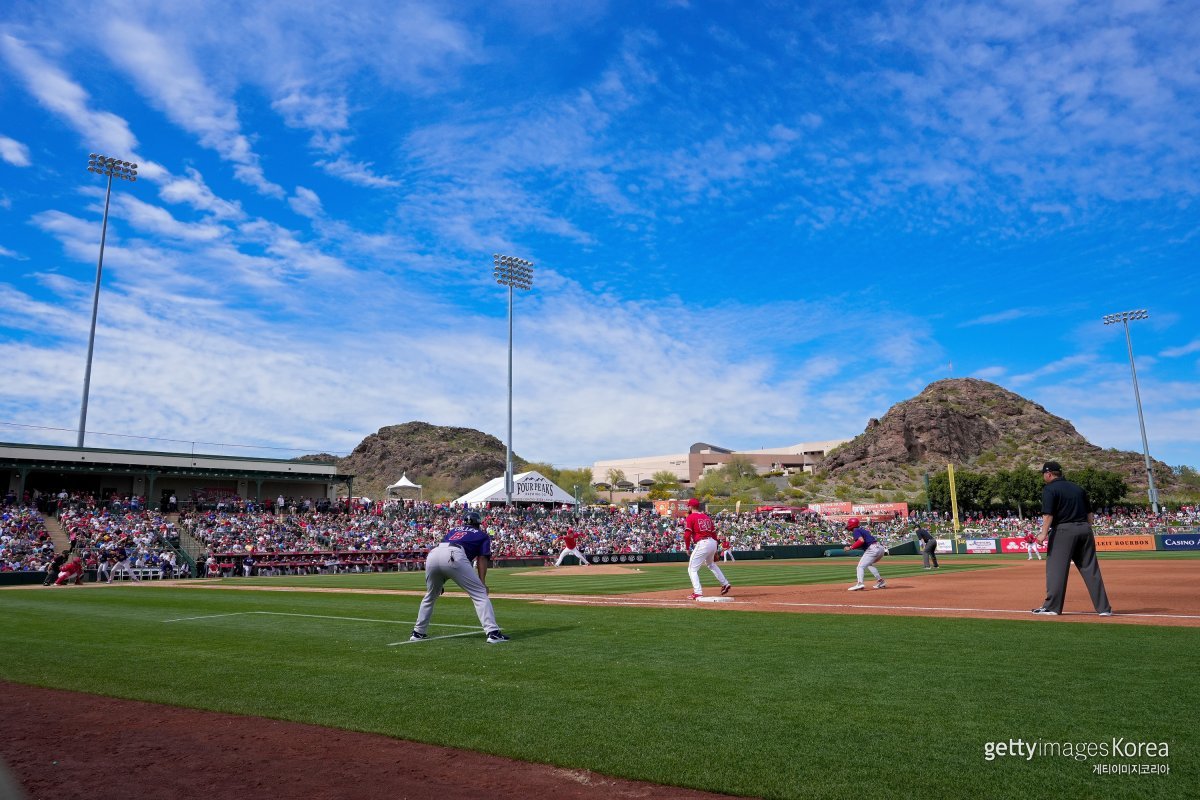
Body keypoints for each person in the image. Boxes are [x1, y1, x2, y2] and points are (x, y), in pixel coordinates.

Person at [409, 511, 509, 644]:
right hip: (454, 554)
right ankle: (493, 633)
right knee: (480, 593)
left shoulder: (453, 530)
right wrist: (482, 582)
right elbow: (482, 559)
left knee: (430, 596)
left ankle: (418, 632)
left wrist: (438, 584)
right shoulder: (482, 535)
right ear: (478, 523)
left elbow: (441, 556)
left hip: (434, 553)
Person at [1032, 461, 1113, 617]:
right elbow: (1090, 516)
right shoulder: (1078, 488)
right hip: (1085, 529)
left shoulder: (1050, 489)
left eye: (1044, 474)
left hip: (1064, 531)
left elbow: (1048, 514)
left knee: (1056, 570)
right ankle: (1104, 608)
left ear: (1048, 474)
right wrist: (1084, 528)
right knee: (1091, 570)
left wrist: (1043, 534)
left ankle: (1052, 607)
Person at [682, 498, 731, 600]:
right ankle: (725, 583)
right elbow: (713, 534)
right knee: (711, 564)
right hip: (712, 542)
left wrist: (687, 547)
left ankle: (698, 592)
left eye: (689, 506)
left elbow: (687, 535)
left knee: (692, 569)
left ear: (691, 507)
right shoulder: (706, 517)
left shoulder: (691, 517)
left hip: (703, 543)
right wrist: (715, 549)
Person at [843, 518, 887, 590]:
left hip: (872, 549)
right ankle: (881, 581)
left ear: (852, 524)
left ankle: (860, 584)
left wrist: (850, 547)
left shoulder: (855, 530)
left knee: (860, 567)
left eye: (849, 523)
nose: (848, 525)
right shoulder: (862, 530)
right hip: (880, 548)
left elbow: (861, 541)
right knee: (869, 564)